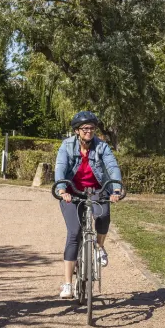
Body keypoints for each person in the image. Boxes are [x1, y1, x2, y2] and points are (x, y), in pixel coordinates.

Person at [54, 110, 123, 299]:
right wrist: (62, 190)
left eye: (92, 128)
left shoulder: (102, 146)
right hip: (72, 192)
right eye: (85, 128)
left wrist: (116, 189)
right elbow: (61, 167)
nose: (89, 131)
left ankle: (99, 247)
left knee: (103, 216)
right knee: (74, 232)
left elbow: (112, 166)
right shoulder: (67, 146)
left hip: (97, 190)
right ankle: (67, 284)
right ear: (77, 130)